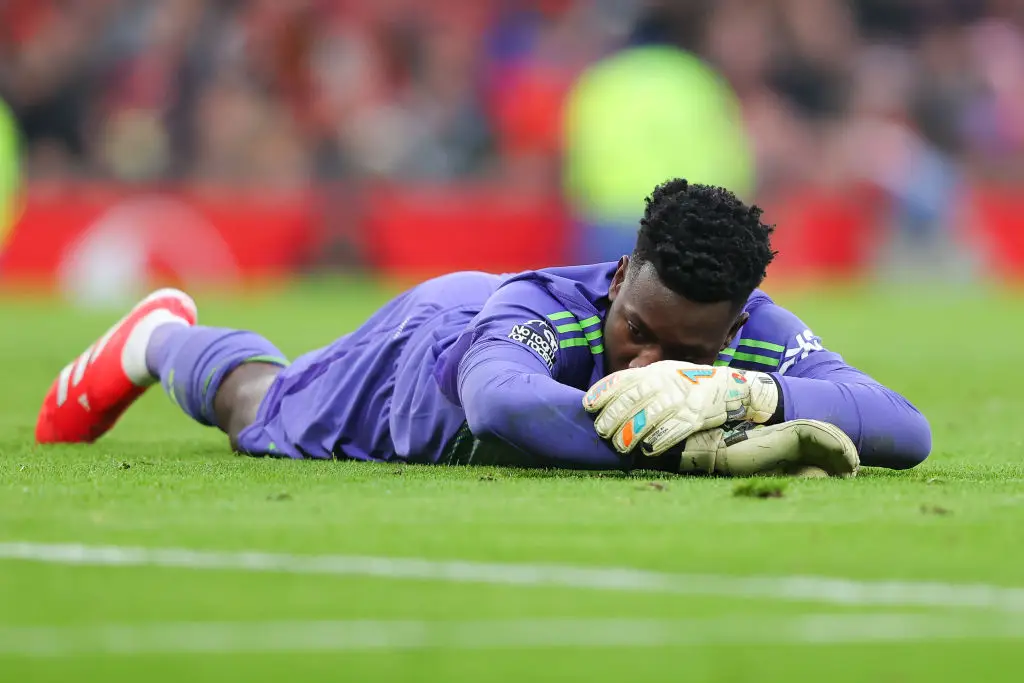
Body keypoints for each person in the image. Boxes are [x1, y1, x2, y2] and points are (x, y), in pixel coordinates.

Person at [35, 179, 931, 475]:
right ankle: (157, 338)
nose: (652, 360)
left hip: (465, 337)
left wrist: (751, 392)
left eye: (690, 352)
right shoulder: (542, 312)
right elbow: (502, 405)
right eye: (638, 332)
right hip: (426, 350)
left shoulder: (751, 334)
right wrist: (681, 444)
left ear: (732, 327)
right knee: (256, 409)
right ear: (618, 278)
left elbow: (903, 425)